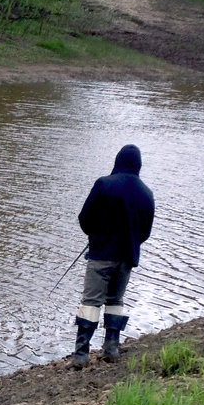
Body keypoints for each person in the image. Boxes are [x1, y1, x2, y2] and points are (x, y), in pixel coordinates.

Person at [71, 144, 155, 367]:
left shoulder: (104, 184)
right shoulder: (147, 193)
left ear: (118, 160)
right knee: (115, 301)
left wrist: (94, 235)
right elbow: (145, 232)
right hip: (127, 257)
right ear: (138, 164)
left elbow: (84, 218)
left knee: (91, 302)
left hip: (100, 255)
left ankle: (80, 355)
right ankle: (111, 348)